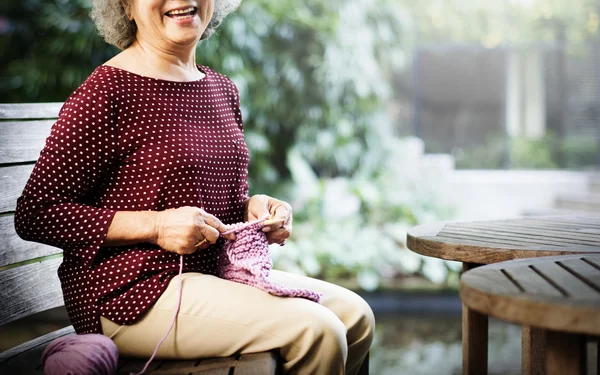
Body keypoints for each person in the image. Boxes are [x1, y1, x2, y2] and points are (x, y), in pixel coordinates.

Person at [14, 1, 375, 374]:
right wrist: (156, 226)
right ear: (125, 6)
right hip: (132, 293)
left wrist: (255, 208)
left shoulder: (221, 88)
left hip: (214, 275)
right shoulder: (107, 91)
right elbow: (36, 214)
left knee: (355, 316)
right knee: (316, 331)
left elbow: (223, 201)